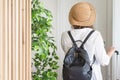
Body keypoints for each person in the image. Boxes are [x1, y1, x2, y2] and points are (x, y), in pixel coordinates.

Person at [61, 2, 115, 80]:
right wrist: (110, 51)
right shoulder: (95, 35)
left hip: (70, 76)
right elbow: (104, 61)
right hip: (92, 77)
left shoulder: (65, 35)